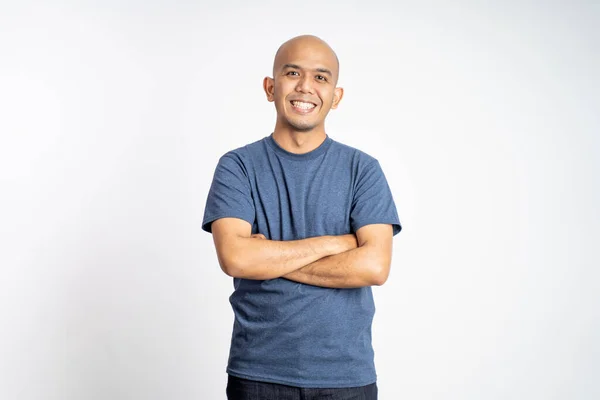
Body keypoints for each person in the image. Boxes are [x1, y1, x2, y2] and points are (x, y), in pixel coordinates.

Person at [202, 35, 402, 400]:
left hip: (346, 377)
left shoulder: (363, 170)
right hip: (258, 373)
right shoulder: (238, 167)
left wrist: (267, 259)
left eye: (321, 77)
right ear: (270, 87)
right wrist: (333, 244)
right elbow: (235, 258)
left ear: (336, 96)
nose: (305, 87)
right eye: (292, 73)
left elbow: (374, 267)